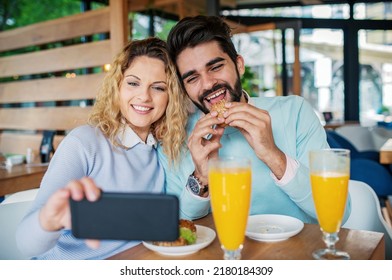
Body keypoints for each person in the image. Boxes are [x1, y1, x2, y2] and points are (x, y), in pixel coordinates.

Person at [158, 15, 351, 223]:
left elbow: (338, 211)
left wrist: (272, 154)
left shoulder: (295, 112)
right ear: (184, 88)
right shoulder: (175, 137)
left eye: (215, 67)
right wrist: (201, 177)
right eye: (192, 78)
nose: (207, 84)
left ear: (239, 65)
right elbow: (177, 228)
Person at [16, 37, 188, 260]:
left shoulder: (161, 151)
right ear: (117, 86)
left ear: (171, 97)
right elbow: (26, 244)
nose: (144, 96)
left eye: (158, 87)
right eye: (133, 83)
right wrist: (49, 221)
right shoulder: (85, 143)